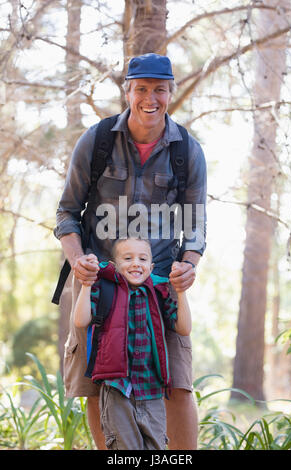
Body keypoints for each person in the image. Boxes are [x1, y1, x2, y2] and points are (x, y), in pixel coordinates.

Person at [54, 52, 207, 450]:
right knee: (95, 384)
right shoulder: (97, 139)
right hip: (99, 282)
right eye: (141, 89)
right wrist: (79, 264)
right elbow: (67, 213)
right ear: (128, 91)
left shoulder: (187, 150)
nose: (150, 98)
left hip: (159, 286)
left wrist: (188, 266)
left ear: (171, 92)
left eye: (160, 89)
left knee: (177, 383)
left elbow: (194, 226)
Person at [73, 238, 191, 450]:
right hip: (117, 387)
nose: (136, 263)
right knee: (123, 448)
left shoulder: (159, 292)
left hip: (151, 388)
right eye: (127, 258)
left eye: (142, 259)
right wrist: (86, 285)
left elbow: (183, 328)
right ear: (115, 265)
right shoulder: (105, 289)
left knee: (156, 447)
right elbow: (81, 321)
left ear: (151, 266)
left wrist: (180, 291)